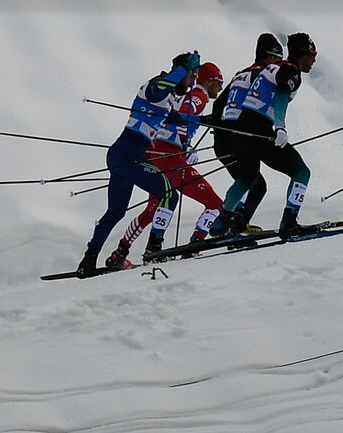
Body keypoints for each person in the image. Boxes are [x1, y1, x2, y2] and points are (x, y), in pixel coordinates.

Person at [76, 51, 201, 277]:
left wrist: (203, 120)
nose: (192, 82)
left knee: (115, 212)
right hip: (129, 155)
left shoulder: (169, 96)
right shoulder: (157, 85)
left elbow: (174, 118)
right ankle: (154, 247)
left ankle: (88, 261)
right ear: (182, 73)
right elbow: (159, 89)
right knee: (169, 195)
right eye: (192, 77)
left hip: (121, 155)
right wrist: (183, 69)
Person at [102, 61, 227, 269]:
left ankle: (120, 252)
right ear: (209, 80)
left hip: (154, 152)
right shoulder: (200, 95)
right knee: (215, 205)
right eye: (219, 82)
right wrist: (184, 147)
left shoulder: (181, 93)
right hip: (171, 155)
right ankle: (190, 246)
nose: (220, 88)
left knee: (153, 208)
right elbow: (183, 115)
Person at [210, 31, 320, 240]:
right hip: (260, 132)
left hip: (240, 132)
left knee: (248, 177)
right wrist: (280, 127)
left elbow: (229, 102)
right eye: (312, 54)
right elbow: (280, 94)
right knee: (301, 172)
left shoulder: (268, 68)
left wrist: (218, 127)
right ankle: (289, 223)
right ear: (302, 54)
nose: (314, 60)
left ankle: (221, 224)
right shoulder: (290, 70)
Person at [206, 33, 284, 238]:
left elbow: (218, 104)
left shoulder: (240, 74)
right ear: (268, 57)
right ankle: (233, 225)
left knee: (250, 182)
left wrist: (217, 128)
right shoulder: (264, 76)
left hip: (222, 143)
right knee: (255, 184)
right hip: (239, 140)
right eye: (277, 59)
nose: (279, 65)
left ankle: (231, 223)